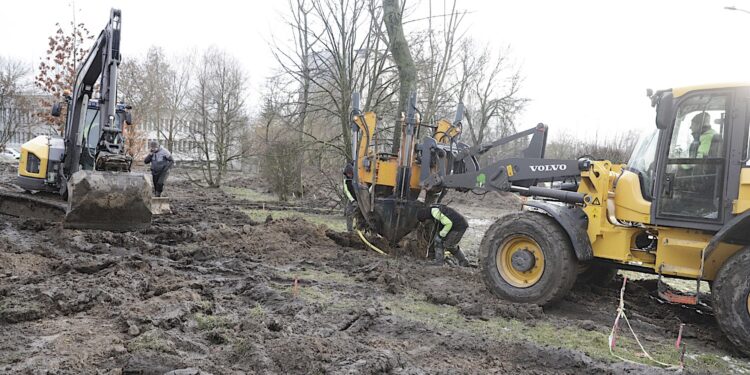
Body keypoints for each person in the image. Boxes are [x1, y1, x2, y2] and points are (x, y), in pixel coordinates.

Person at [343, 161, 358, 232]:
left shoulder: (358, 177)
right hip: (352, 199)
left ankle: (359, 229)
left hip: (361, 198)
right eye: (348, 174)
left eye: (350, 174)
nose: (349, 175)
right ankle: (350, 230)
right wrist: (352, 200)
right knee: (349, 213)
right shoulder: (346, 180)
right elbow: (347, 191)